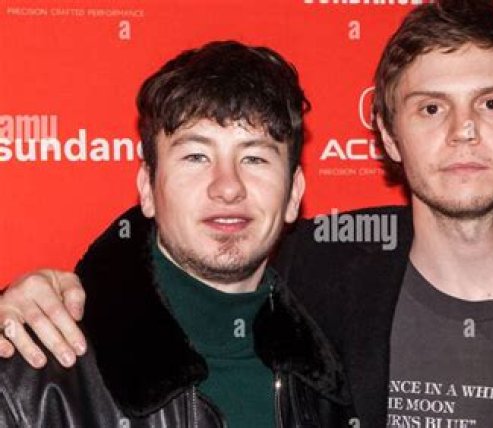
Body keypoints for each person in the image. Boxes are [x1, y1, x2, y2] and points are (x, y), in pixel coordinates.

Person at [1, 1, 493, 427]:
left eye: (492, 103)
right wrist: (45, 293)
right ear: (386, 135)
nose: (463, 132)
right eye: (430, 108)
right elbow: (186, 244)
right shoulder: (323, 273)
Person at [0, 40, 354, 427]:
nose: (228, 187)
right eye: (196, 156)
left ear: (294, 194)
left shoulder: (335, 379)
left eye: (254, 158)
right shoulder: (32, 373)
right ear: (147, 189)